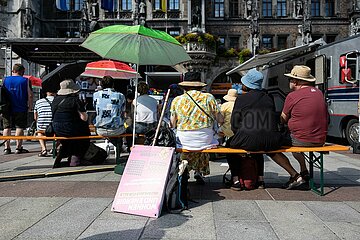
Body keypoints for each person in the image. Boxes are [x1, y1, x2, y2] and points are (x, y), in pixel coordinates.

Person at [170, 72, 224, 184]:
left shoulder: (177, 100)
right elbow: (220, 120)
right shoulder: (209, 98)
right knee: (203, 145)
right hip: (205, 137)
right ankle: (199, 171)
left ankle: (185, 169)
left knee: (188, 144)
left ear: (184, 86)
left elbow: (173, 123)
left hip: (185, 138)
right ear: (200, 85)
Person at [281, 65, 328, 185]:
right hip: (320, 140)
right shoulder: (318, 93)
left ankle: (295, 175)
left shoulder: (292, 96)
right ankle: (304, 170)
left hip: (301, 140)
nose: (289, 82)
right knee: (298, 136)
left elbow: (283, 119)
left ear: (295, 81)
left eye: (290, 79)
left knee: (273, 144)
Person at [52, 79, 90, 168]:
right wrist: (82, 108)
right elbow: (84, 118)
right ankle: (75, 159)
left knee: (68, 141)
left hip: (56, 128)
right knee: (83, 134)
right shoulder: (75, 100)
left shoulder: (55, 100)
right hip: (70, 128)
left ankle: (64, 154)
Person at [2, 63, 33, 154]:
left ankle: (6, 148)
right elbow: (30, 95)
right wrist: (30, 106)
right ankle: (18, 148)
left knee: (6, 127)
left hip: (6, 108)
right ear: (22, 71)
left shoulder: (5, 80)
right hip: (21, 107)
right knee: (19, 127)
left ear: (13, 71)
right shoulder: (25, 80)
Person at [93, 76, 126, 152]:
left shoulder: (96, 95)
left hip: (100, 129)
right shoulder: (120, 96)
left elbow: (95, 108)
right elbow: (123, 111)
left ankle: (111, 140)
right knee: (127, 123)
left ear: (101, 84)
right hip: (117, 130)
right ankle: (119, 145)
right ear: (113, 84)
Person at [126, 81, 158, 148]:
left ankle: (129, 147)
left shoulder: (136, 100)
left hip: (140, 126)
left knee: (127, 130)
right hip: (152, 126)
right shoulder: (154, 100)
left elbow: (132, 114)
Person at [34, 87, 56, 157]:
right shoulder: (58, 101)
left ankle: (44, 149)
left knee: (39, 132)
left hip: (41, 126)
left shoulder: (38, 102)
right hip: (54, 127)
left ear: (46, 92)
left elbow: (35, 117)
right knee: (60, 132)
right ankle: (54, 148)